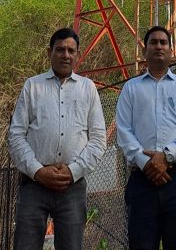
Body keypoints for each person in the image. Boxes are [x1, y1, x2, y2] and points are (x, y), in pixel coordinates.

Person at [8, 27, 106, 250]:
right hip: (34, 184)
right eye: (60, 49)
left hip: (72, 186)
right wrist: (38, 171)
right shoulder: (33, 86)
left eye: (71, 50)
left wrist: (73, 171)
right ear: (49, 52)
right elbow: (16, 135)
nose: (66, 55)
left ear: (78, 54)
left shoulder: (88, 88)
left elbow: (98, 139)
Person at [115, 26, 176, 250]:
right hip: (141, 180)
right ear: (145, 51)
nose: (159, 46)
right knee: (141, 244)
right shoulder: (131, 88)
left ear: (171, 50)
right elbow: (124, 131)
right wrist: (147, 164)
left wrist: (166, 157)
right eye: (153, 42)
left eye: (164, 42)